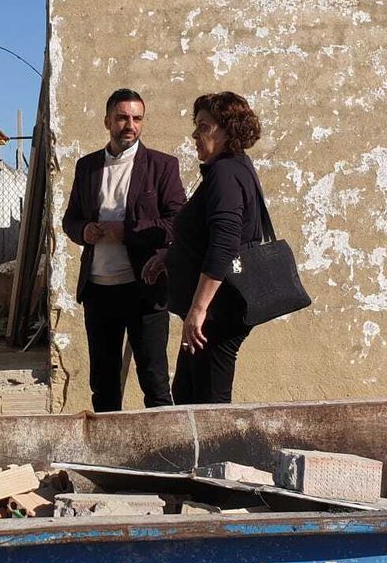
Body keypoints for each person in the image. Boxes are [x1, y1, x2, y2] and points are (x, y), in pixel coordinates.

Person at [62, 89, 187, 411]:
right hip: (98, 291)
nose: (130, 125)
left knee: (154, 381)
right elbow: (70, 220)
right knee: (103, 384)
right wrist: (84, 231)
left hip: (144, 289)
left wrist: (127, 232)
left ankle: (163, 442)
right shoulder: (87, 167)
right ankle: (107, 442)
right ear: (107, 121)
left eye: (137, 118)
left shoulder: (162, 166)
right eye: (122, 118)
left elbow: (177, 223)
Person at [142, 92, 263, 405]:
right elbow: (207, 235)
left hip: (217, 313)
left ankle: (219, 442)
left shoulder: (225, 173)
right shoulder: (229, 168)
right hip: (212, 312)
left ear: (227, 131)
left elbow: (224, 243)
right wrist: (170, 255)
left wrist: (199, 309)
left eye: (204, 126)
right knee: (187, 395)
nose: (195, 134)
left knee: (209, 404)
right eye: (196, 126)